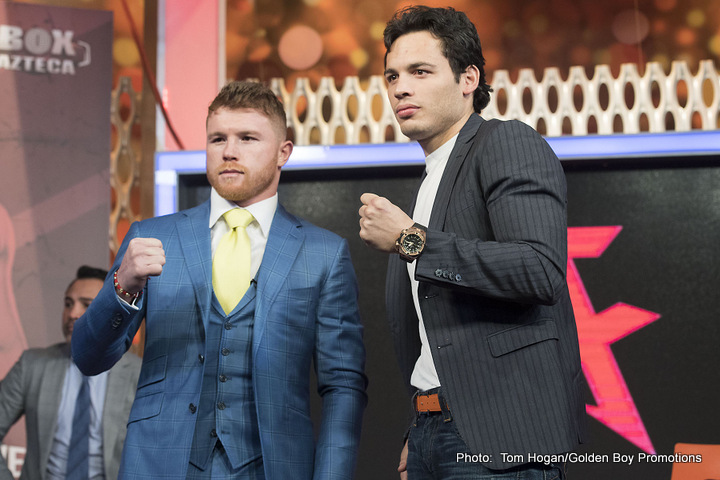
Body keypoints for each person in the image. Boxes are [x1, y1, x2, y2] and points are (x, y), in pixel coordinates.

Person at [71, 81, 367, 479]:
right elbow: (88, 358)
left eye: (247, 138)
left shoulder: (323, 253)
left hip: (274, 466)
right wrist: (122, 285)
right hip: (160, 465)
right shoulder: (153, 236)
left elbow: (343, 385)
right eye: (217, 138)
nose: (229, 151)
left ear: (284, 152)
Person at [359, 5, 586, 479]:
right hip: (430, 430)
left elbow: (538, 268)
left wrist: (408, 240)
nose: (400, 87)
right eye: (393, 75)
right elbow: (435, 337)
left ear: (468, 79)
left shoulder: (506, 142)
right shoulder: (429, 182)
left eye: (421, 71)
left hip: (501, 437)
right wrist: (418, 428)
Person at [0, 266, 142, 480]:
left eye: (86, 305)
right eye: (68, 304)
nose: (72, 314)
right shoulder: (32, 364)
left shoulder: (138, 372)